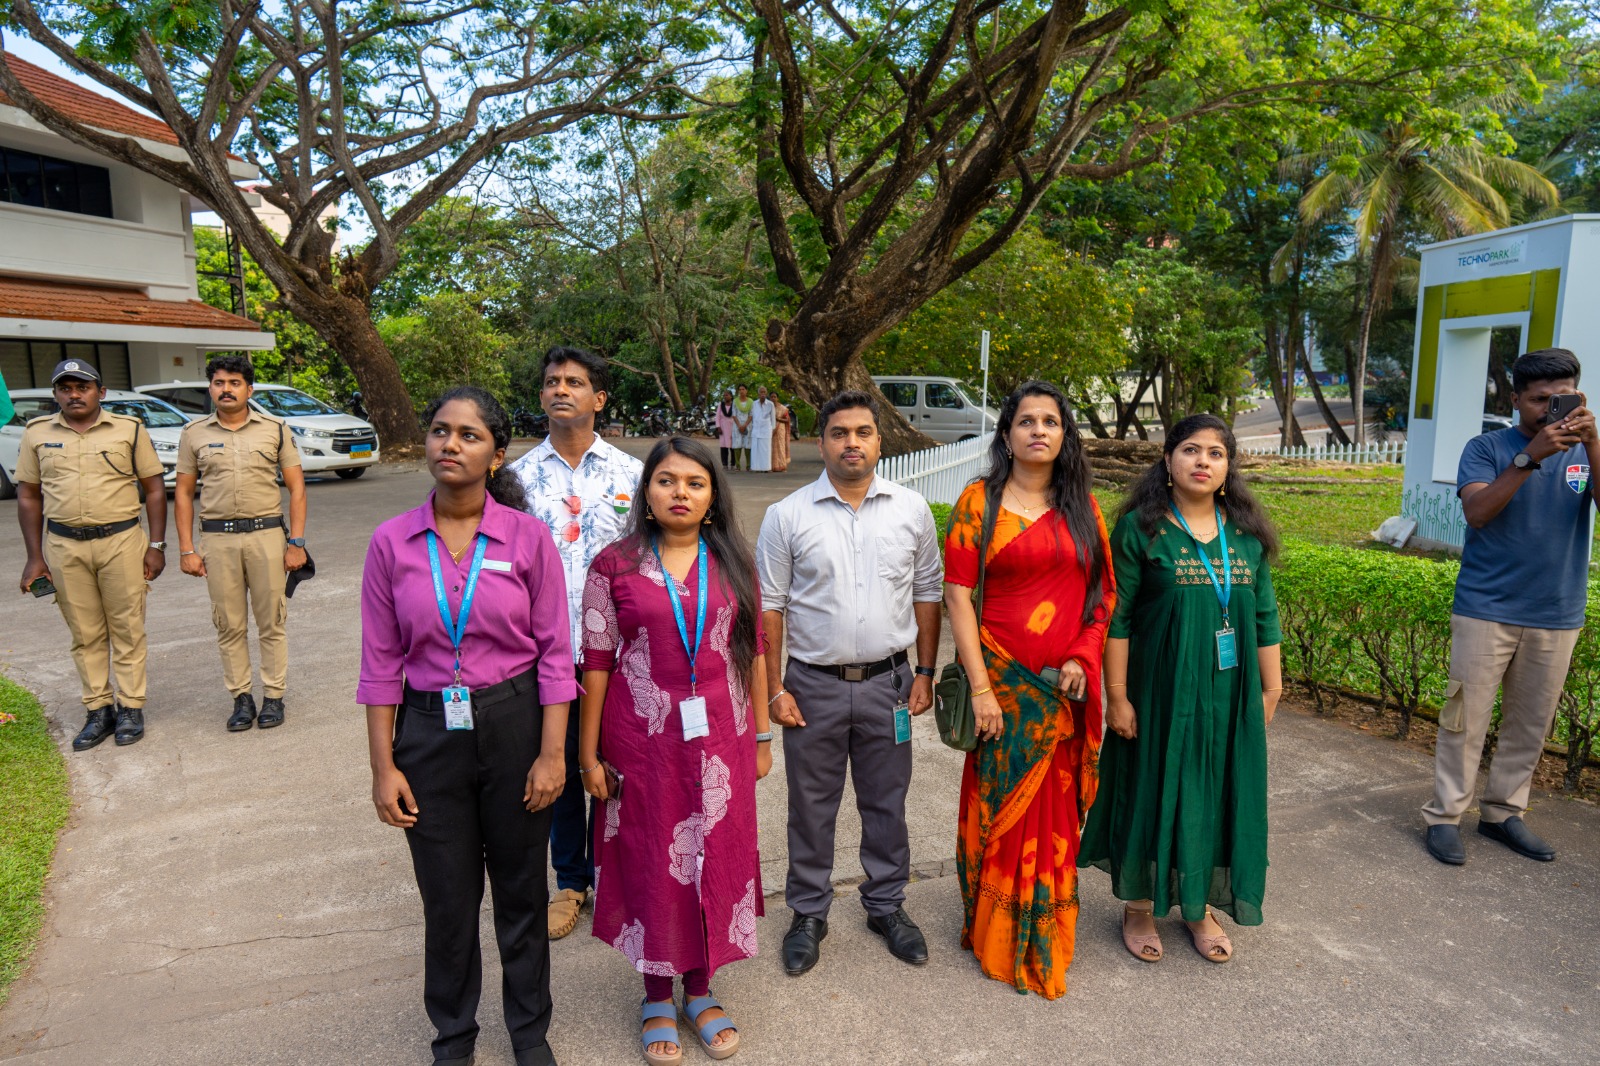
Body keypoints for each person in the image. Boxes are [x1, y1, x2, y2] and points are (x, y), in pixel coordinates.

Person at [360, 386, 574, 1066]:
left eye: (469, 435)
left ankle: (529, 1033)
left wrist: (552, 755)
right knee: (447, 902)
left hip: (515, 724)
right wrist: (384, 768)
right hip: (428, 733)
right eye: (439, 431)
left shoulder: (528, 538)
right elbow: (379, 665)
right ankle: (453, 1038)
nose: (449, 444)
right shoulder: (392, 543)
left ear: (496, 454)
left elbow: (556, 656)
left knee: (521, 893)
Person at [578, 436, 770, 1064]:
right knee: (653, 861)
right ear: (647, 491)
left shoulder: (735, 561)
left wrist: (763, 736)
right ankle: (657, 994)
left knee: (713, 857)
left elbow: (755, 655)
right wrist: (587, 755)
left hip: (723, 739)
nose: (679, 493)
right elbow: (596, 662)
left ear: (713, 497)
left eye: (694, 482)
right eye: (666, 481)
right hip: (642, 743)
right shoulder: (612, 565)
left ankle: (701, 989)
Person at [1078, 413, 1282, 965]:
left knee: (1215, 791)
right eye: (1191, 450)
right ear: (1167, 460)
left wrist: (1272, 688)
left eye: (1216, 453)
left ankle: (1198, 907)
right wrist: (1117, 695)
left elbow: (1264, 615)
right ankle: (1139, 906)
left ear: (1228, 467)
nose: (1203, 462)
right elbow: (1117, 617)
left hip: (1229, 694)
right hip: (1158, 692)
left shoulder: (1246, 536)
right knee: (1152, 786)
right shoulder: (1141, 529)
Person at [756, 390, 943, 976]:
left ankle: (886, 905)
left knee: (887, 800)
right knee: (811, 807)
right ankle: (808, 912)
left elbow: (928, 591)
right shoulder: (787, 516)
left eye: (863, 432)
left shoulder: (911, 509)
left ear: (880, 442)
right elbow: (769, 606)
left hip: (891, 684)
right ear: (821, 442)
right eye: (839, 433)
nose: (852, 443)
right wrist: (774, 688)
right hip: (813, 686)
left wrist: (926, 671)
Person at [941, 381, 1114, 999]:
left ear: (1065, 436)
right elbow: (957, 596)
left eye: (1050, 421)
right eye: (1026, 421)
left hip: (1061, 695)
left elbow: (1103, 596)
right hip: (1002, 690)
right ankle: (994, 930)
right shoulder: (978, 502)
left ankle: (1042, 933)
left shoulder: (1083, 508)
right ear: (1007, 434)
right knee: (1000, 811)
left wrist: (1083, 655)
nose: (1038, 430)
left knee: (1053, 816)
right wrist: (981, 689)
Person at [1423, 348, 1598, 865]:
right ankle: (1445, 816)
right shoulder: (1487, 447)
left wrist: (1592, 442)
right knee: (1463, 719)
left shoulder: (1586, 451)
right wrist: (1530, 457)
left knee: (1530, 724)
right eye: (1540, 399)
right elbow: (1477, 512)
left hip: (1557, 611)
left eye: (1562, 398)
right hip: (1486, 608)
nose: (1550, 409)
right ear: (1516, 399)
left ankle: (1502, 813)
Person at [509, 346, 643, 941]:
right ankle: (570, 880)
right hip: (547, 655)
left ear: (599, 399)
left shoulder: (633, 475)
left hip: (621, 656)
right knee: (559, 766)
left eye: (575, 382)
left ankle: (622, 874)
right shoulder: (515, 479)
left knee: (621, 767)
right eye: (552, 382)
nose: (561, 389)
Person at [15, 359, 167, 750]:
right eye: (65, 388)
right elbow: (28, 495)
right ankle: (98, 710)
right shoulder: (36, 433)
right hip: (64, 546)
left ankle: (130, 707)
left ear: (100, 392)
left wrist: (156, 546)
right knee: (84, 634)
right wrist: (34, 557)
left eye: (82, 387)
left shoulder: (129, 429)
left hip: (121, 542)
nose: (74, 395)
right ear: (55, 394)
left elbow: (154, 489)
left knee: (127, 628)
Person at [174, 355, 309, 731]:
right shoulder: (194, 433)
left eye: (235, 383)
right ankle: (241, 699)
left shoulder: (275, 429)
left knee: (272, 621)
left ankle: (274, 697)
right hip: (218, 541)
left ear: (249, 390)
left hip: (266, 536)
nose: (226, 389)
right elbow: (183, 493)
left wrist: (296, 542)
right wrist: (187, 549)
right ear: (210, 388)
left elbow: (297, 488)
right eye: (219, 383)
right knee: (229, 624)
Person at [749, 387, 775, 473]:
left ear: (766, 393)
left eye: (764, 392)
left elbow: (773, 419)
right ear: (758, 394)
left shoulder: (770, 404)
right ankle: (756, 468)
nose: (763, 394)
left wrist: (772, 429)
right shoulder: (754, 403)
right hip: (756, 430)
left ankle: (766, 468)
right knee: (755, 450)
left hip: (766, 430)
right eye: (761, 392)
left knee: (766, 450)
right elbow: (751, 416)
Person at [732, 386, 753, 471]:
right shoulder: (735, 401)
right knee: (737, 445)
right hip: (737, 426)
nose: (741, 391)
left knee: (748, 445)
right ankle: (738, 466)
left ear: (746, 391)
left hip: (748, 425)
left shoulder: (751, 401)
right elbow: (734, 415)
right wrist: (739, 426)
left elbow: (751, 415)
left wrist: (745, 425)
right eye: (740, 389)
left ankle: (748, 466)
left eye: (743, 389)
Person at [714, 389, 736, 470]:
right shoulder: (721, 405)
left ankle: (733, 464)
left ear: (731, 396)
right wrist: (718, 427)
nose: (725, 397)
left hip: (732, 427)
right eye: (724, 395)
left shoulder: (734, 405)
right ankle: (725, 464)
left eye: (727, 395)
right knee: (723, 447)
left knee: (733, 447)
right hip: (723, 428)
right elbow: (717, 417)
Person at [771, 394, 792, 473]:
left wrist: (778, 419)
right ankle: (773, 466)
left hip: (780, 429)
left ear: (777, 398)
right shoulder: (769, 407)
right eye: (771, 397)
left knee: (781, 447)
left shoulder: (783, 408)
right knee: (773, 448)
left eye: (775, 397)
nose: (773, 398)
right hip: (771, 429)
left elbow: (787, 420)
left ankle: (782, 466)